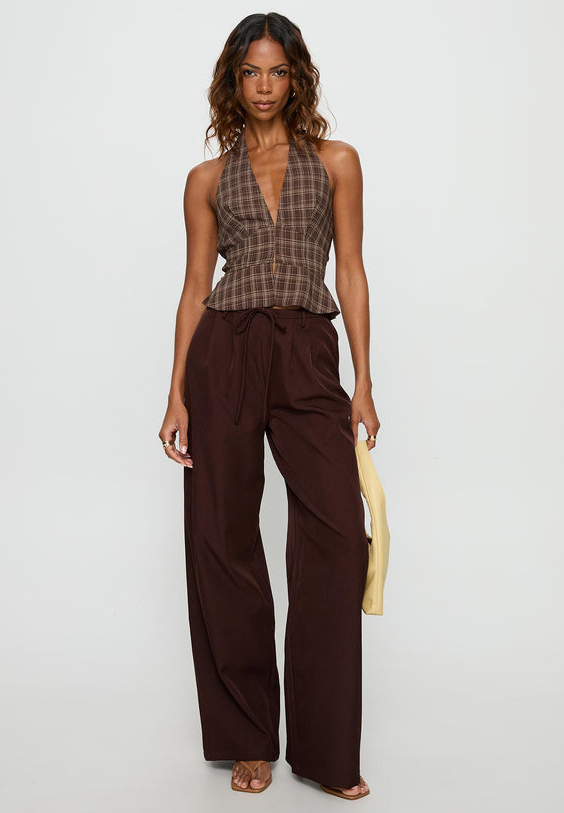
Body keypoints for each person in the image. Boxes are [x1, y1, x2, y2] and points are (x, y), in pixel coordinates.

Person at [159, 12, 380, 801]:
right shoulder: (206, 179)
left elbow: (349, 270)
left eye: (277, 71)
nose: (263, 86)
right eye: (250, 72)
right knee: (221, 534)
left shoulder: (337, 161)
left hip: (306, 346)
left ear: (297, 78)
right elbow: (195, 287)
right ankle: (248, 736)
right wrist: (177, 390)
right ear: (233, 80)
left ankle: (324, 749)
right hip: (224, 349)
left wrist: (363, 379)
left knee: (337, 533)